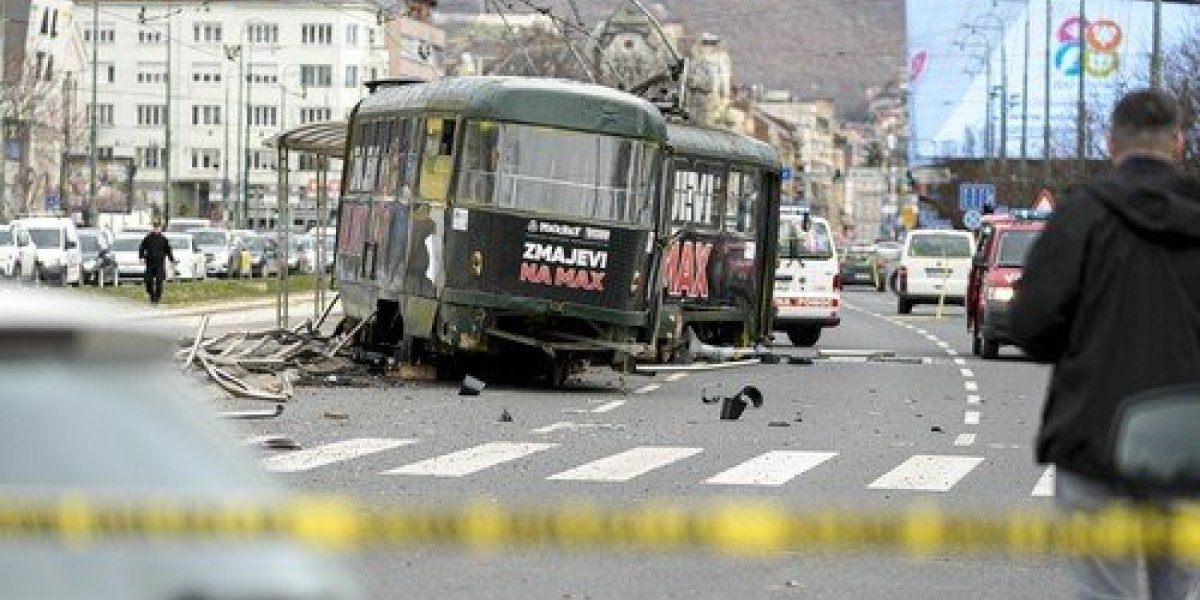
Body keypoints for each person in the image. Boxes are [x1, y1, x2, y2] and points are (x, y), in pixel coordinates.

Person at [1011, 89, 1200, 599]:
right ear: (1179, 143)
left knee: (1104, 591)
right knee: (1178, 588)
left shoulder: (1080, 217)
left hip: (1097, 434)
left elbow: (1029, 325)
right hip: (1190, 442)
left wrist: (1086, 350)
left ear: (1110, 142)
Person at [138, 222, 175, 304]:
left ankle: (157, 297)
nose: (156, 229)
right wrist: (141, 257)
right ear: (153, 228)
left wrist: (172, 260)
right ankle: (151, 294)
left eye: (158, 227)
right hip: (150, 262)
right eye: (155, 227)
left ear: (160, 228)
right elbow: (142, 247)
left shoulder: (163, 239)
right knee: (148, 280)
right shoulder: (148, 238)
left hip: (159, 263)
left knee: (159, 281)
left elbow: (168, 250)